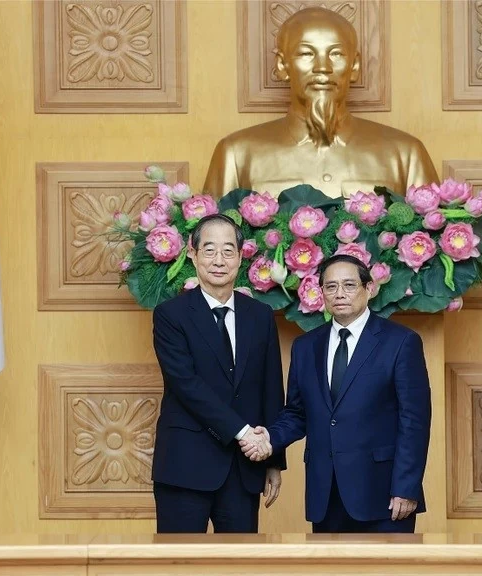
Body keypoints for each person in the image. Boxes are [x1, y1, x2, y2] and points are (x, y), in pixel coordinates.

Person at [241, 255, 431, 533]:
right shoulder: (306, 347)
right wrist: (269, 438)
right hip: (325, 494)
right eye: (330, 287)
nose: (339, 293)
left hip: (384, 495)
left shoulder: (401, 342)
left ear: (370, 289)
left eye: (349, 285)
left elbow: (415, 421)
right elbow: (297, 413)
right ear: (321, 294)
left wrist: (406, 487)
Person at [202, 7, 438, 199]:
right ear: (282, 66)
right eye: (306, 54)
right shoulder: (236, 154)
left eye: (336, 54)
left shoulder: (406, 154)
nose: (322, 68)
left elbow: (433, 248)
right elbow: (213, 246)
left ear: (354, 66)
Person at [151, 213, 286, 533]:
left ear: (241, 257)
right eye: (209, 250)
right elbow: (187, 385)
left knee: (241, 566)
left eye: (228, 251)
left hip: (244, 469)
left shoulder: (260, 315)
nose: (219, 260)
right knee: (178, 566)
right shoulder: (171, 315)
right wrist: (244, 434)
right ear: (193, 255)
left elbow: (270, 387)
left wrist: (273, 459)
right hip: (184, 466)